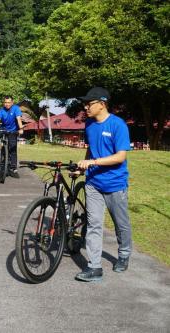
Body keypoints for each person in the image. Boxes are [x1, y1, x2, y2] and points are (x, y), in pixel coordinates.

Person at [75, 87, 132, 282]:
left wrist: (93, 162)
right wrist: (83, 167)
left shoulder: (118, 125)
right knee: (94, 224)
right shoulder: (89, 124)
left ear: (102, 103)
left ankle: (124, 254)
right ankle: (94, 266)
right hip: (93, 183)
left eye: (89, 103)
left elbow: (120, 156)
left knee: (121, 224)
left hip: (115, 184)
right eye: (85, 104)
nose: (86, 107)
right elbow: (91, 150)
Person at [0, 96, 24, 178]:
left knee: (12, 148)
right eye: (5, 102)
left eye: (9, 102)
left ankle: (13, 168)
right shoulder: (1, 110)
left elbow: (18, 119)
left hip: (13, 130)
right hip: (3, 128)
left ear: (12, 102)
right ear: (3, 103)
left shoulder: (16, 108)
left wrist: (21, 129)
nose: (7, 104)